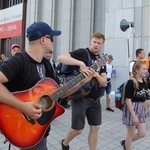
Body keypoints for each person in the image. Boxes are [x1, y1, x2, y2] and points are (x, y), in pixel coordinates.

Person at [0, 21, 94, 150]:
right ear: (43, 40)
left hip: (41, 128)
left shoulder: (47, 64)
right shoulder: (19, 61)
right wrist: (23, 106)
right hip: (25, 128)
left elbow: (61, 92)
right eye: (52, 38)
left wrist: (82, 82)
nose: (54, 42)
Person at [58, 32, 107, 150]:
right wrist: (80, 63)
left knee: (95, 127)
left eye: (99, 43)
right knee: (78, 129)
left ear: (102, 44)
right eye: (94, 42)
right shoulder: (82, 53)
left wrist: (95, 74)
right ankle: (65, 143)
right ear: (90, 41)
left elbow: (104, 82)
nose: (96, 45)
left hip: (95, 99)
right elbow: (61, 58)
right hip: (80, 97)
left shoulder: (101, 60)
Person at [121, 61, 149, 150]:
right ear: (136, 70)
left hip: (140, 108)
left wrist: (145, 110)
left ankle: (125, 142)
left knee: (142, 133)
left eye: (146, 69)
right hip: (132, 109)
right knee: (131, 133)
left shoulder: (144, 81)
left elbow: (143, 97)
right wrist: (134, 116)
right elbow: (128, 100)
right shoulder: (131, 82)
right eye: (143, 69)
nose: (146, 71)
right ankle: (127, 146)